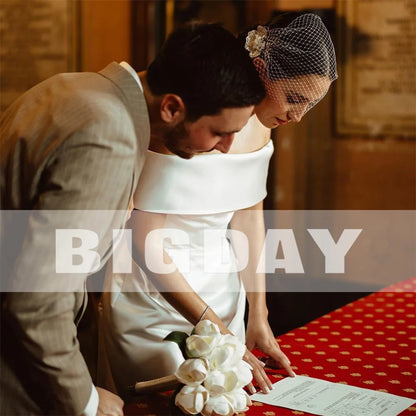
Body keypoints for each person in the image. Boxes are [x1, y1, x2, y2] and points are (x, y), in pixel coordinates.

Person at [0, 22, 265, 416]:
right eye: (218, 133)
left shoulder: (76, 87)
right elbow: (37, 301)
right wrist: (87, 400)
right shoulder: (109, 138)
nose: (226, 149)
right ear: (172, 107)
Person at [98, 12, 338, 398]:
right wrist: (219, 334)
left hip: (224, 292)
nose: (298, 116)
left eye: (309, 105)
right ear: (261, 70)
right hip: (156, 291)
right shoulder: (188, 120)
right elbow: (144, 241)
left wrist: (257, 313)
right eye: (293, 99)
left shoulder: (266, 123)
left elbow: (247, 219)